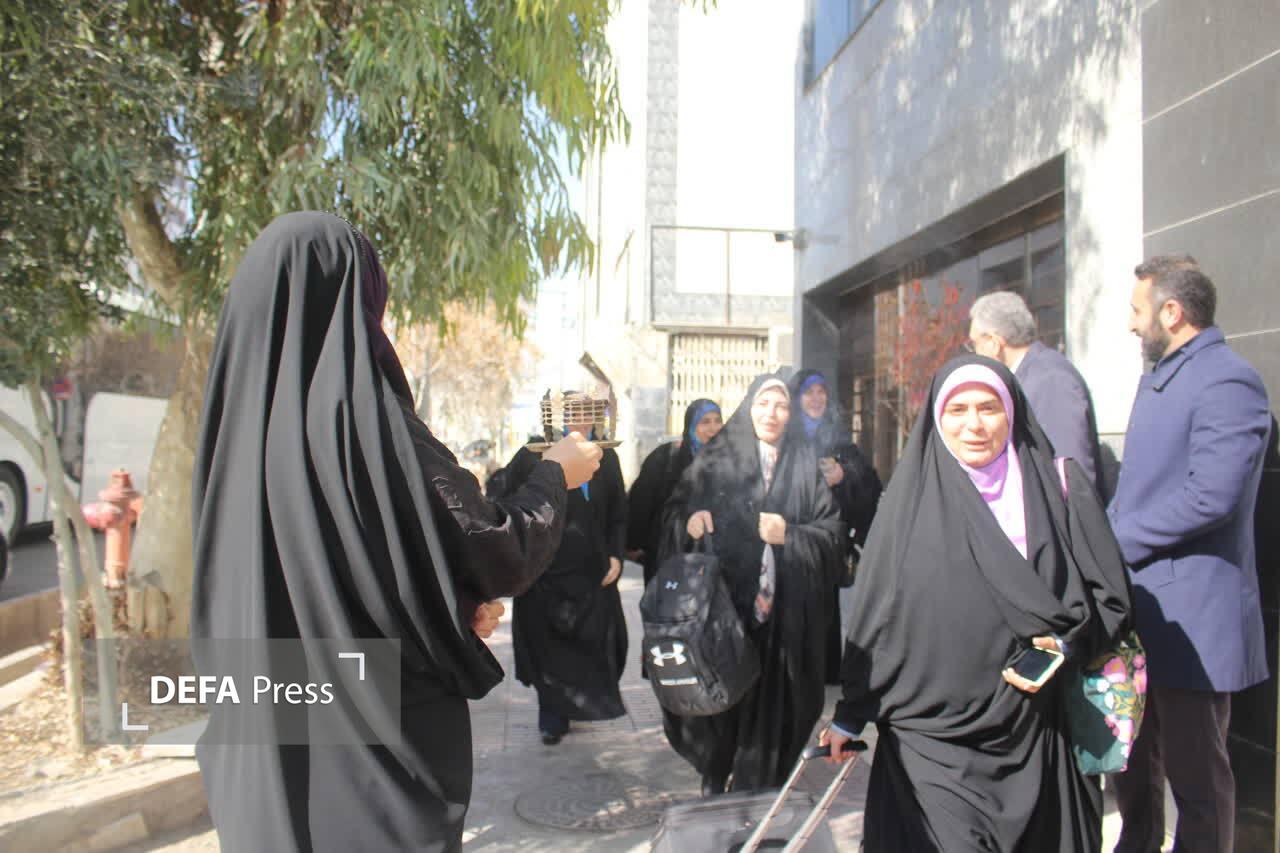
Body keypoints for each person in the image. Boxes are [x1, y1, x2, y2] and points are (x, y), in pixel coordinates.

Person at [191, 212, 602, 852]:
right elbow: (493, 549)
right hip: (372, 762)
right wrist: (555, 474)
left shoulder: (230, 432)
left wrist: (450, 607)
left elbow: (323, 574)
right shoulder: (366, 425)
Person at [822, 355, 1133, 852]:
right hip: (930, 736)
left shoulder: (1058, 488)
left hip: (1035, 730)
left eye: (989, 408)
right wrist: (850, 713)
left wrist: (1063, 645)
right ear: (936, 418)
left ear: (1012, 412)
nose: (974, 424)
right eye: (957, 409)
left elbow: (1110, 599)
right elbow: (875, 618)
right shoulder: (907, 504)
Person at [1109, 256, 1270, 853]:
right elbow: (1139, 489)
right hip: (1143, 613)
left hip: (1195, 620)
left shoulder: (1227, 381)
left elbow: (1212, 497)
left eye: (1137, 310)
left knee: (1197, 784)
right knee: (1133, 771)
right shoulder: (1162, 379)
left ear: (1171, 312)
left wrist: (1117, 540)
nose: (1131, 323)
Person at [660, 375, 842, 796]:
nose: (771, 413)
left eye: (781, 405)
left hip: (784, 617)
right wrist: (688, 523)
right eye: (763, 403)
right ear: (748, 408)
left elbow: (832, 534)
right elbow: (673, 512)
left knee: (777, 702)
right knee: (722, 697)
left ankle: (759, 785)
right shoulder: (715, 460)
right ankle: (716, 772)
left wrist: (790, 535)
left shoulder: (803, 464)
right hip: (724, 612)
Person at [492, 394, 629, 745]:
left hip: (592, 573)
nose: (580, 420)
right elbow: (506, 500)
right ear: (560, 416)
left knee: (593, 643)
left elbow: (618, 512)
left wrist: (616, 555)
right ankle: (552, 717)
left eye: (587, 413)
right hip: (545, 573)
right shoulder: (535, 454)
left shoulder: (606, 456)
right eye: (573, 413)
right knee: (547, 646)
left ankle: (585, 705)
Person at [786, 369, 882, 683]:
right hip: (791, 538)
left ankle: (824, 671)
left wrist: (844, 475)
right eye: (808, 393)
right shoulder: (786, 436)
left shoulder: (838, 435)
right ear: (797, 399)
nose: (816, 399)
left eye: (821, 392)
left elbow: (868, 482)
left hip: (828, 539)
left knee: (825, 605)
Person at [968, 290, 1105, 493]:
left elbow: (1072, 477)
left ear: (994, 343)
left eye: (974, 344)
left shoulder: (1050, 380)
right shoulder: (1027, 377)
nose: (973, 353)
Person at [626, 398, 723, 587]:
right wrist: (633, 544)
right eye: (705, 422)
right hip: (666, 554)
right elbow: (641, 503)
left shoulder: (728, 461)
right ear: (691, 425)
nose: (713, 428)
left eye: (717, 420)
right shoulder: (666, 458)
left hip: (712, 560)